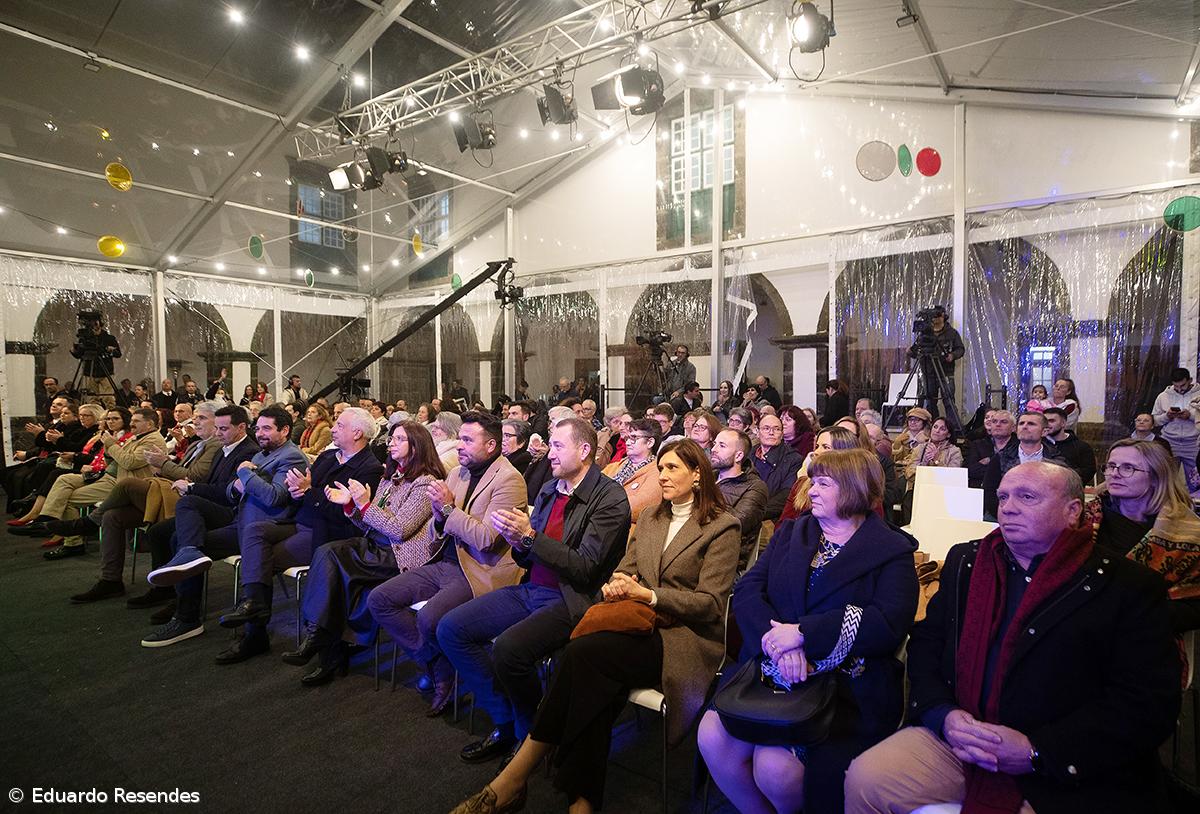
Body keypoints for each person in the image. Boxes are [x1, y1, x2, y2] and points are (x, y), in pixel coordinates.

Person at [845, 462, 1181, 814]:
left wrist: (1037, 750)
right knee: (867, 778)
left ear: (1072, 511)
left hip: (1066, 758)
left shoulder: (1127, 586)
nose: (1008, 506)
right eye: (1003, 496)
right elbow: (928, 644)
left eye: (1027, 496)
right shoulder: (968, 561)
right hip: (961, 732)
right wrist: (942, 714)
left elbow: (1146, 704)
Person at [452, 440, 739, 814]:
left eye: (672, 469)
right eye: (661, 468)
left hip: (682, 636)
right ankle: (579, 802)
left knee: (584, 656)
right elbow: (625, 567)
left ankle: (517, 777)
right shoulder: (653, 517)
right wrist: (618, 583)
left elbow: (711, 605)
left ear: (697, 475)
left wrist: (648, 595)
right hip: (636, 623)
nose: (662, 477)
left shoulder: (722, 527)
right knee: (593, 675)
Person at [700, 448, 919, 813]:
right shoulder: (794, 532)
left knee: (774, 768)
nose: (811, 490)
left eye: (822, 483)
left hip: (845, 684)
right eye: (811, 481)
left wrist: (803, 634)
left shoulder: (890, 551)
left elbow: (888, 623)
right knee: (711, 737)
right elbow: (750, 589)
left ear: (854, 488)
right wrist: (781, 647)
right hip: (772, 664)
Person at [438, 418, 632, 764]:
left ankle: (532, 735)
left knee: (509, 651)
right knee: (452, 629)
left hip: (571, 598)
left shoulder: (610, 498)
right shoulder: (549, 490)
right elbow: (528, 555)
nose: (548, 453)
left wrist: (530, 538)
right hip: (531, 589)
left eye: (558, 446)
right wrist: (519, 542)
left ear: (584, 450)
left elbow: (585, 568)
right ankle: (507, 720)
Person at [367, 411, 527, 715]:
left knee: (429, 619)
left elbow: (485, 539)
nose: (460, 446)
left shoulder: (510, 480)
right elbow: (435, 532)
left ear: (491, 446)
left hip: (480, 569)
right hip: (447, 561)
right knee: (380, 599)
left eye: (467, 440)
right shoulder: (458, 473)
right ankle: (440, 667)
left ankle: (443, 675)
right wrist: (440, 517)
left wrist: (448, 509)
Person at [210, 407, 383, 664]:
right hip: (301, 521)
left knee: (259, 558)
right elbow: (310, 496)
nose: (333, 428)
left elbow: (343, 514)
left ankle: (255, 632)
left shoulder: (369, 469)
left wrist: (309, 491)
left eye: (340, 425)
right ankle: (254, 605)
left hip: (327, 534)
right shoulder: (328, 458)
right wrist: (299, 490)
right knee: (254, 531)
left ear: (357, 433)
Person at [287, 421, 445, 685]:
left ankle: (318, 636)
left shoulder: (425, 483)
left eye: (398, 439)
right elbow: (369, 523)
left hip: (400, 555)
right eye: (391, 438)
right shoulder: (390, 477)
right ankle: (324, 643)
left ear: (416, 448)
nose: (390, 443)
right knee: (330, 560)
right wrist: (351, 506)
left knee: (331, 557)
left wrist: (364, 503)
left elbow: (398, 530)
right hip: (376, 546)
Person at [140, 406, 309, 649]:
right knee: (181, 533)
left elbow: (274, 498)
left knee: (246, 547)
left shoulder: (290, 456)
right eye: (258, 428)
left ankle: (192, 617)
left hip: (267, 525)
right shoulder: (261, 455)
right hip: (241, 520)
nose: (259, 433)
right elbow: (232, 491)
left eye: (267, 429)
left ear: (285, 430)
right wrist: (239, 484)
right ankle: (186, 611)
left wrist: (245, 475)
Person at [58, 401, 224, 602]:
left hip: (180, 497)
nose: (195, 422)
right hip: (162, 492)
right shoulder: (198, 443)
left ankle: (87, 523)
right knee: (112, 517)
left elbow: (195, 477)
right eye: (195, 417)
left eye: (201, 418)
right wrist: (163, 465)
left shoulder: (213, 444)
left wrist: (163, 463)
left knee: (128, 484)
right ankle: (110, 581)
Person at [1089, 439, 1200, 632]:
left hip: (1150, 636)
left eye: (1128, 468)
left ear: (1156, 477)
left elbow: (1194, 606)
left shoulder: (1187, 531)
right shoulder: (1084, 518)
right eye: (1111, 466)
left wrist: (1132, 614)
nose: (1114, 473)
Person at [30, 408, 167, 560]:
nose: (131, 424)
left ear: (149, 424)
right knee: (63, 483)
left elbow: (129, 462)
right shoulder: (136, 437)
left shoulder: (152, 439)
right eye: (108, 419)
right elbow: (111, 462)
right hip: (112, 477)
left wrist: (110, 444)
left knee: (68, 497)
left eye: (136, 421)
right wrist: (109, 449)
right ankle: (51, 521)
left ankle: (69, 536)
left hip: (126, 485)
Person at [981, 412, 1064, 518]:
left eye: (1031, 424)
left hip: (1044, 516)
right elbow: (989, 491)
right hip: (1006, 513)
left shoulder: (1057, 461)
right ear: (1016, 429)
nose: (1025, 426)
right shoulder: (1000, 458)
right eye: (1021, 423)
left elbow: (1060, 495)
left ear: (1044, 431)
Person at [710, 428, 769, 569]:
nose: (714, 449)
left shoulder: (755, 487)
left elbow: (732, 526)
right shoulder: (708, 477)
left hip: (725, 563)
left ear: (738, 456)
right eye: (714, 444)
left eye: (722, 446)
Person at [906, 305, 964, 420]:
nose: (935, 319)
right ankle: (932, 425)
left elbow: (960, 349)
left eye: (937, 315)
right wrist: (910, 351)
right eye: (933, 316)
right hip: (928, 371)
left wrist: (952, 356)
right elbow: (916, 350)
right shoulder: (925, 333)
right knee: (929, 401)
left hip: (945, 372)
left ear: (943, 316)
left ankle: (953, 428)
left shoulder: (952, 333)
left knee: (948, 400)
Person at [903, 416, 964, 523]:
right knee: (910, 498)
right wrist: (924, 463)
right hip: (919, 490)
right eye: (935, 427)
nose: (937, 431)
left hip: (943, 493)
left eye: (942, 429)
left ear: (948, 434)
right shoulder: (920, 448)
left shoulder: (954, 451)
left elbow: (954, 476)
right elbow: (909, 473)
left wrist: (937, 461)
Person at [602, 417, 662, 522]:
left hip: (629, 532)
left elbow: (637, 507)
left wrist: (600, 504)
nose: (628, 442)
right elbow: (592, 491)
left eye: (634, 438)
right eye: (627, 438)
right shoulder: (614, 466)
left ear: (650, 442)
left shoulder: (657, 472)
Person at [1152, 366, 1200, 493]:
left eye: (1183, 385)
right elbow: (1155, 421)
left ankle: (1195, 510)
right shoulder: (1163, 396)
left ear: (1190, 380)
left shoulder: (1199, 395)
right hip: (1169, 442)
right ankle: (1167, 510)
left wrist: (1191, 416)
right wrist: (1167, 416)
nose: (1179, 389)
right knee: (1165, 481)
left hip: (1193, 444)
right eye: (1176, 386)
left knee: (1196, 481)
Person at [752, 413, 805, 521]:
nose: (771, 432)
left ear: (781, 434)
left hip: (771, 519)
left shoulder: (794, 459)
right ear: (757, 432)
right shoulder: (749, 454)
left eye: (776, 429)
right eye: (766, 428)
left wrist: (754, 513)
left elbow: (785, 496)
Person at [522, 405, 575, 504]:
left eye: (552, 421)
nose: (549, 426)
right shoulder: (544, 445)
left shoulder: (569, 453)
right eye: (549, 421)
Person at [70, 314, 122, 406]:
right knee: (91, 398)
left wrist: (110, 350)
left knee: (108, 397)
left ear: (100, 323)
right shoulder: (85, 338)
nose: (93, 325)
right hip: (89, 371)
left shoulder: (109, 338)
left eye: (95, 323)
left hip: (105, 372)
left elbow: (118, 354)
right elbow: (79, 355)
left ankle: (111, 414)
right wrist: (74, 351)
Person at [1042, 406, 1096, 485]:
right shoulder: (1038, 444)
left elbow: (1088, 472)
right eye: (1045, 421)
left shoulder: (1082, 447)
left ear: (1063, 423)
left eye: (1051, 421)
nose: (1047, 424)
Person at [965, 410, 1015, 489]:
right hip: (982, 492)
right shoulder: (977, 444)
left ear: (1013, 428)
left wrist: (989, 461)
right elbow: (971, 471)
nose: (998, 424)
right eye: (994, 421)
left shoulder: (1019, 446)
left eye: (1004, 422)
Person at [892, 406, 931, 472]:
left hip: (919, 472)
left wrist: (923, 444)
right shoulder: (901, 438)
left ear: (924, 422)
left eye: (917, 420)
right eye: (911, 419)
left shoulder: (929, 439)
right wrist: (897, 444)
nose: (913, 422)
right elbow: (894, 460)